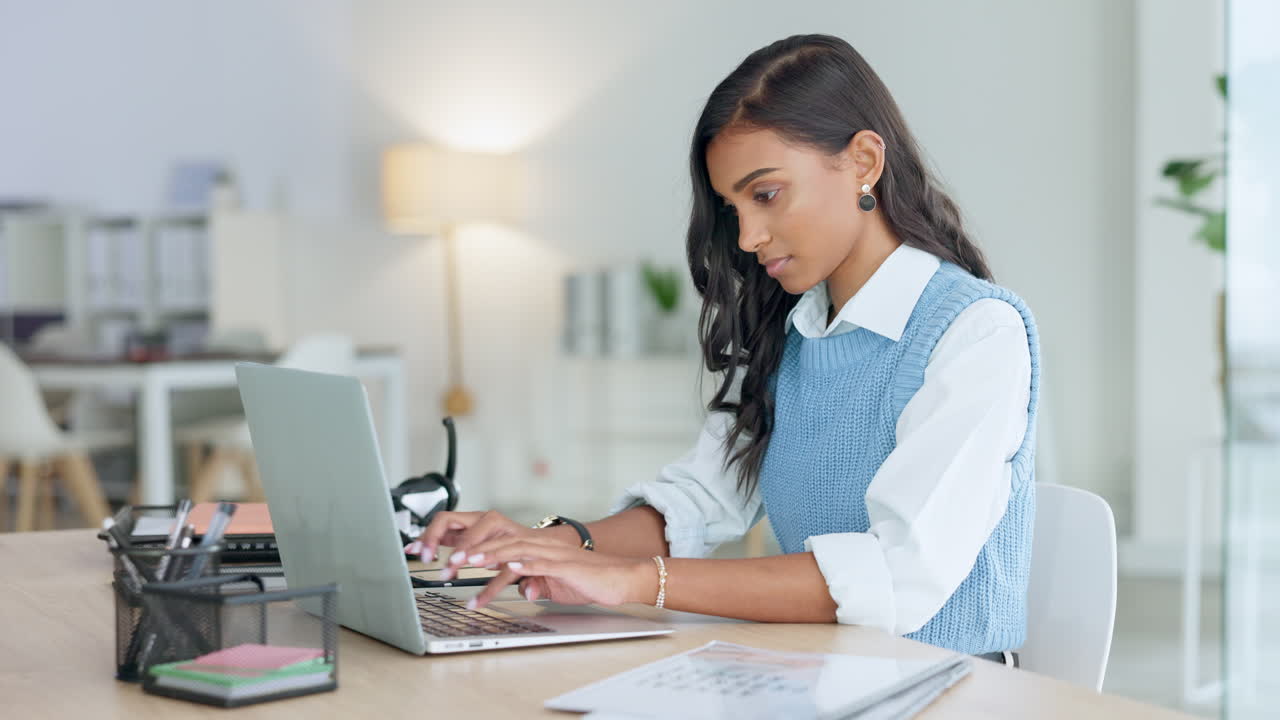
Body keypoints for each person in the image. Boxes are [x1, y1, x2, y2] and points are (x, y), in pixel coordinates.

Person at [405, 33, 1039, 662]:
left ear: (864, 162)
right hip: (823, 673)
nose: (747, 237)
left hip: (948, 685)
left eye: (765, 195)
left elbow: (895, 576)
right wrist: (557, 542)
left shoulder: (975, 332)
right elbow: (703, 498)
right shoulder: (792, 329)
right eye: (732, 209)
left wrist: (635, 581)